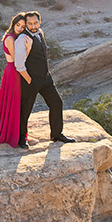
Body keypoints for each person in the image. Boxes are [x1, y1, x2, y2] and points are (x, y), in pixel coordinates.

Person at [14, 11, 75, 146]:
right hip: (30, 80)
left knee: (56, 103)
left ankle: (56, 135)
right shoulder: (22, 40)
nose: (33, 26)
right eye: (29, 23)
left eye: (35, 22)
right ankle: (21, 138)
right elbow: (19, 65)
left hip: (45, 78)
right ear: (26, 24)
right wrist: (30, 81)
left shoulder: (40, 32)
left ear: (39, 21)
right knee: (25, 109)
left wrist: (46, 75)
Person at [0, 12, 31, 148]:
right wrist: (28, 48)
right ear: (13, 24)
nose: (19, 28)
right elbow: (18, 59)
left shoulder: (16, 37)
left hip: (14, 71)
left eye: (22, 26)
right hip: (13, 71)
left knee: (16, 102)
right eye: (18, 25)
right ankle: (10, 134)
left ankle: (16, 132)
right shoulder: (10, 39)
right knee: (13, 102)